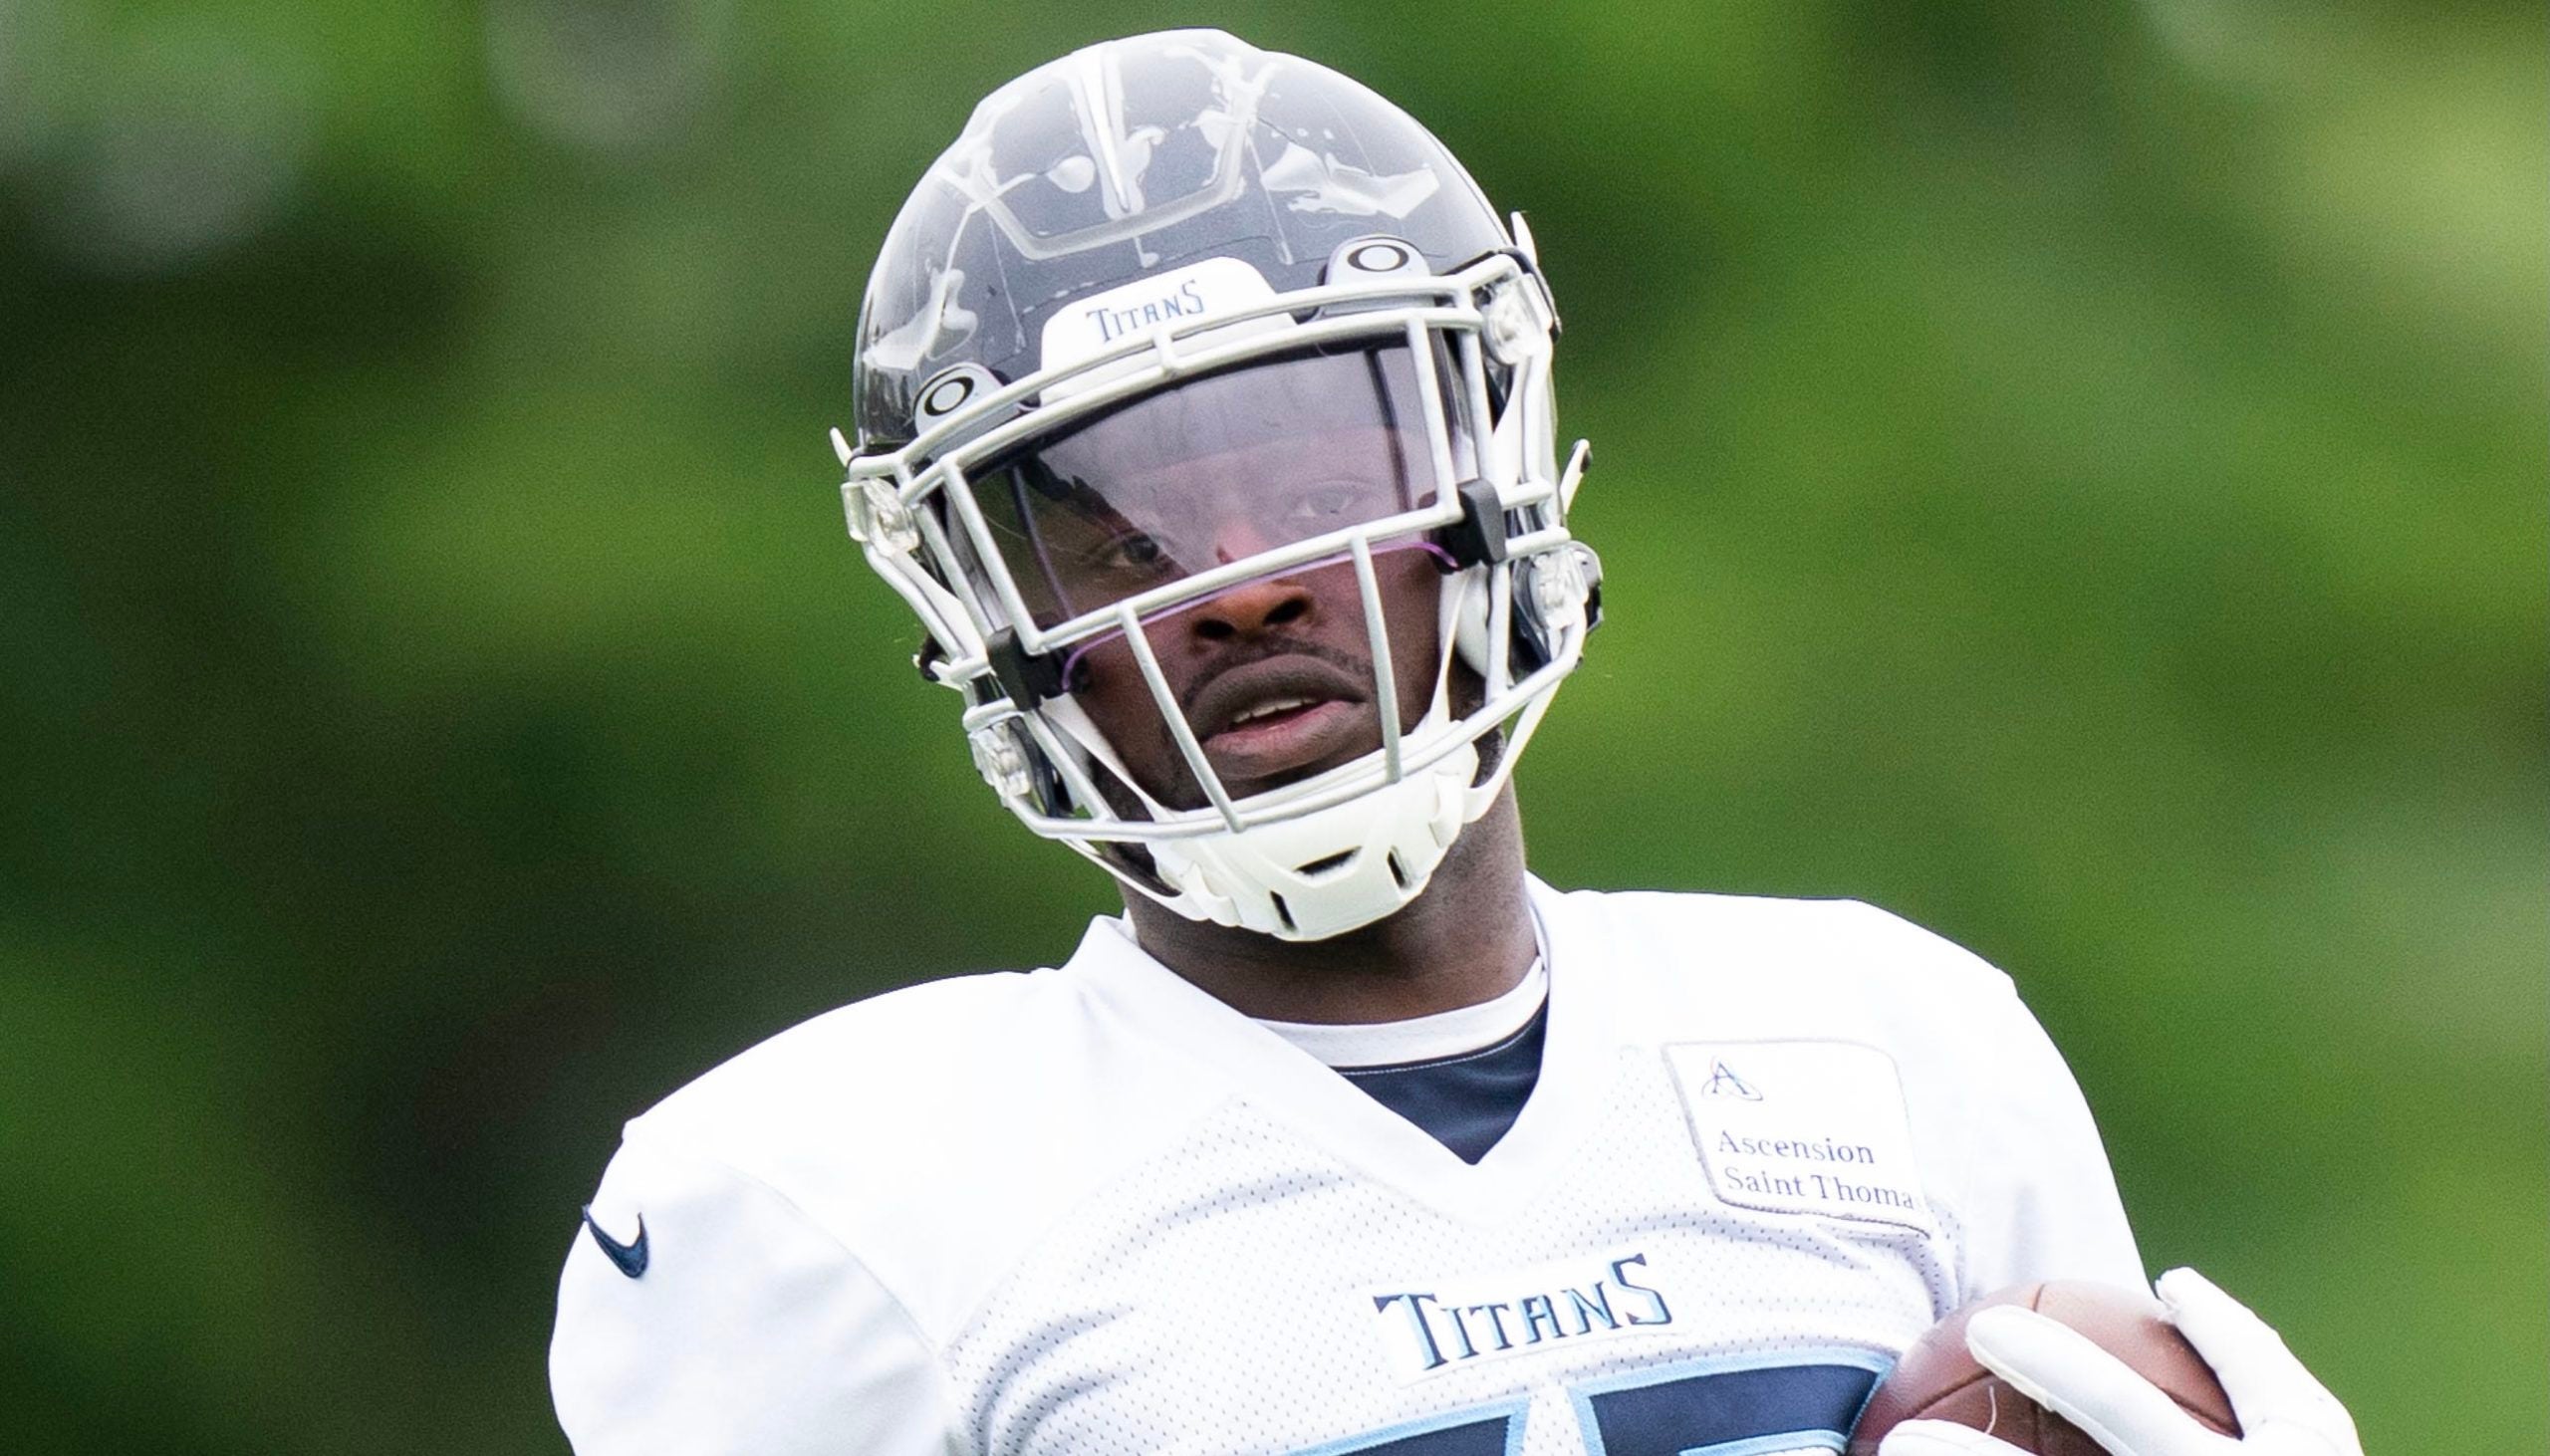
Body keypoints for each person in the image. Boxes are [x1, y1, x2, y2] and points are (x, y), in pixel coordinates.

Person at [549, 30, 2361, 1456]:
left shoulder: (1900, 1045)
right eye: (1113, 529)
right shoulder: (829, 1202)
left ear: (1486, 463)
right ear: (981, 616)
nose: (1236, 583)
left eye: (1310, 472)